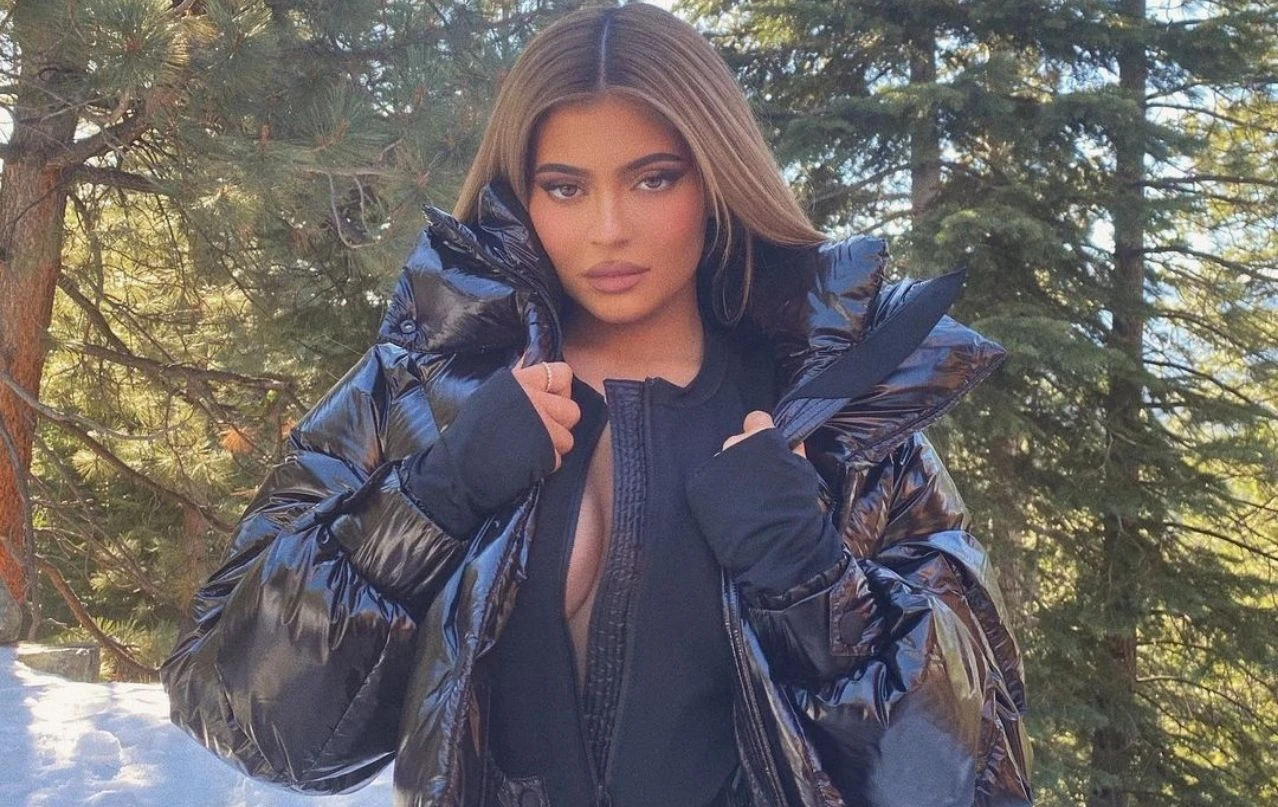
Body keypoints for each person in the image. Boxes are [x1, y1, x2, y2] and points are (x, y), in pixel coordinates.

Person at [161, 4, 1033, 806]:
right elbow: (240, 710)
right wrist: (432, 499)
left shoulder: (835, 413)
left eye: (653, 179)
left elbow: (968, 776)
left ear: (715, 179)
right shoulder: (420, 389)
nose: (609, 228)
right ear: (522, 191)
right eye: (566, 187)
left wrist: (810, 580)